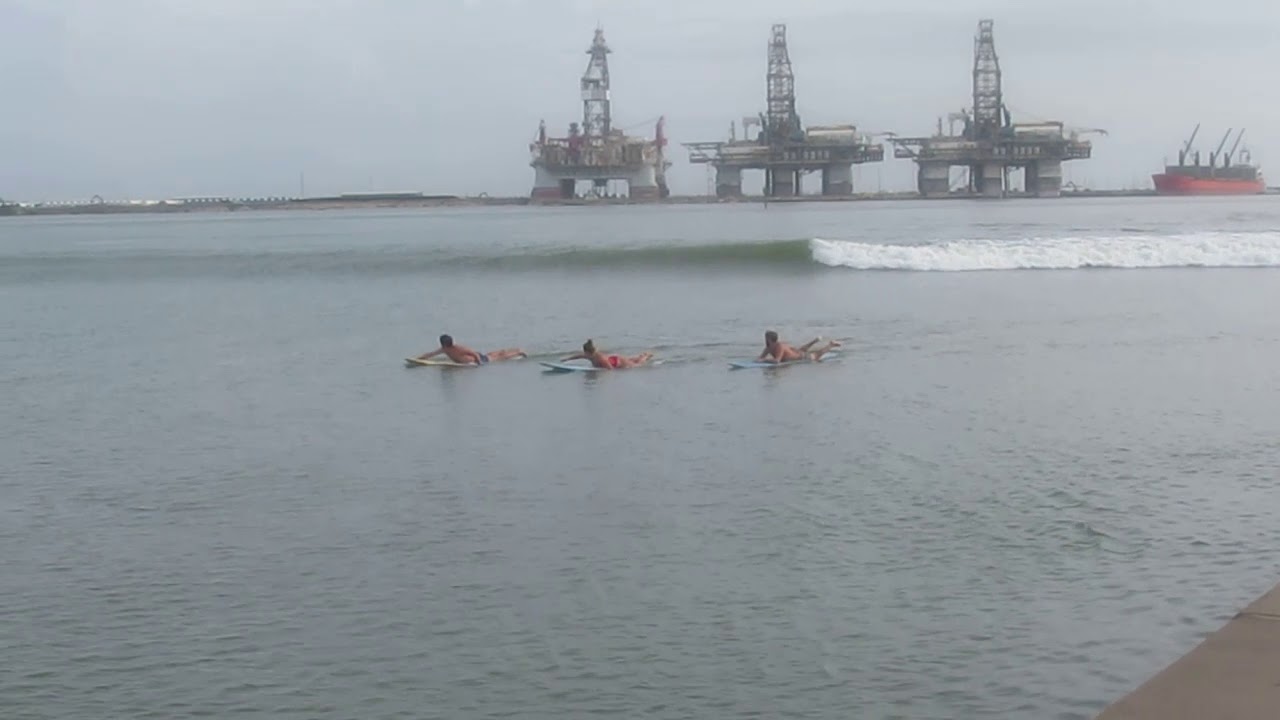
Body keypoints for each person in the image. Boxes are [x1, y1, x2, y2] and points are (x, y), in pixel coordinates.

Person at [416, 334, 526, 365]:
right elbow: (431, 354)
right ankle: (512, 349)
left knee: (501, 357)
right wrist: (419, 358)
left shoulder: (458, 348)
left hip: (478, 359)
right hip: (476, 357)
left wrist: (479, 363)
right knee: (494, 353)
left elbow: (472, 353)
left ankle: (518, 352)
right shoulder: (444, 349)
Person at [560, 339, 653, 370]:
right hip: (613, 359)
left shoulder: (600, 358)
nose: (583, 353)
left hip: (617, 362)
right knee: (631, 360)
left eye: (585, 352)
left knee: (636, 365)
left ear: (588, 352)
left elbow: (610, 369)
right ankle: (641, 355)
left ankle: (645, 356)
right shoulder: (588, 355)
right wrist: (566, 360)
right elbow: (577, 356)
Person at [757, 330, 840, 364]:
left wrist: (764, 360)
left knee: (817, 356)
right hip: (794, 353)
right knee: (799, 349)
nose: (765, 339)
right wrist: (759, 360)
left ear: (769, 339)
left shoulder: (779, 346)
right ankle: (815, 341)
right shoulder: (768, 348)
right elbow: (760, 358)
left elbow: (777, 361)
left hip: (802, 358)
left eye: (766, 338)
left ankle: (831, 345)